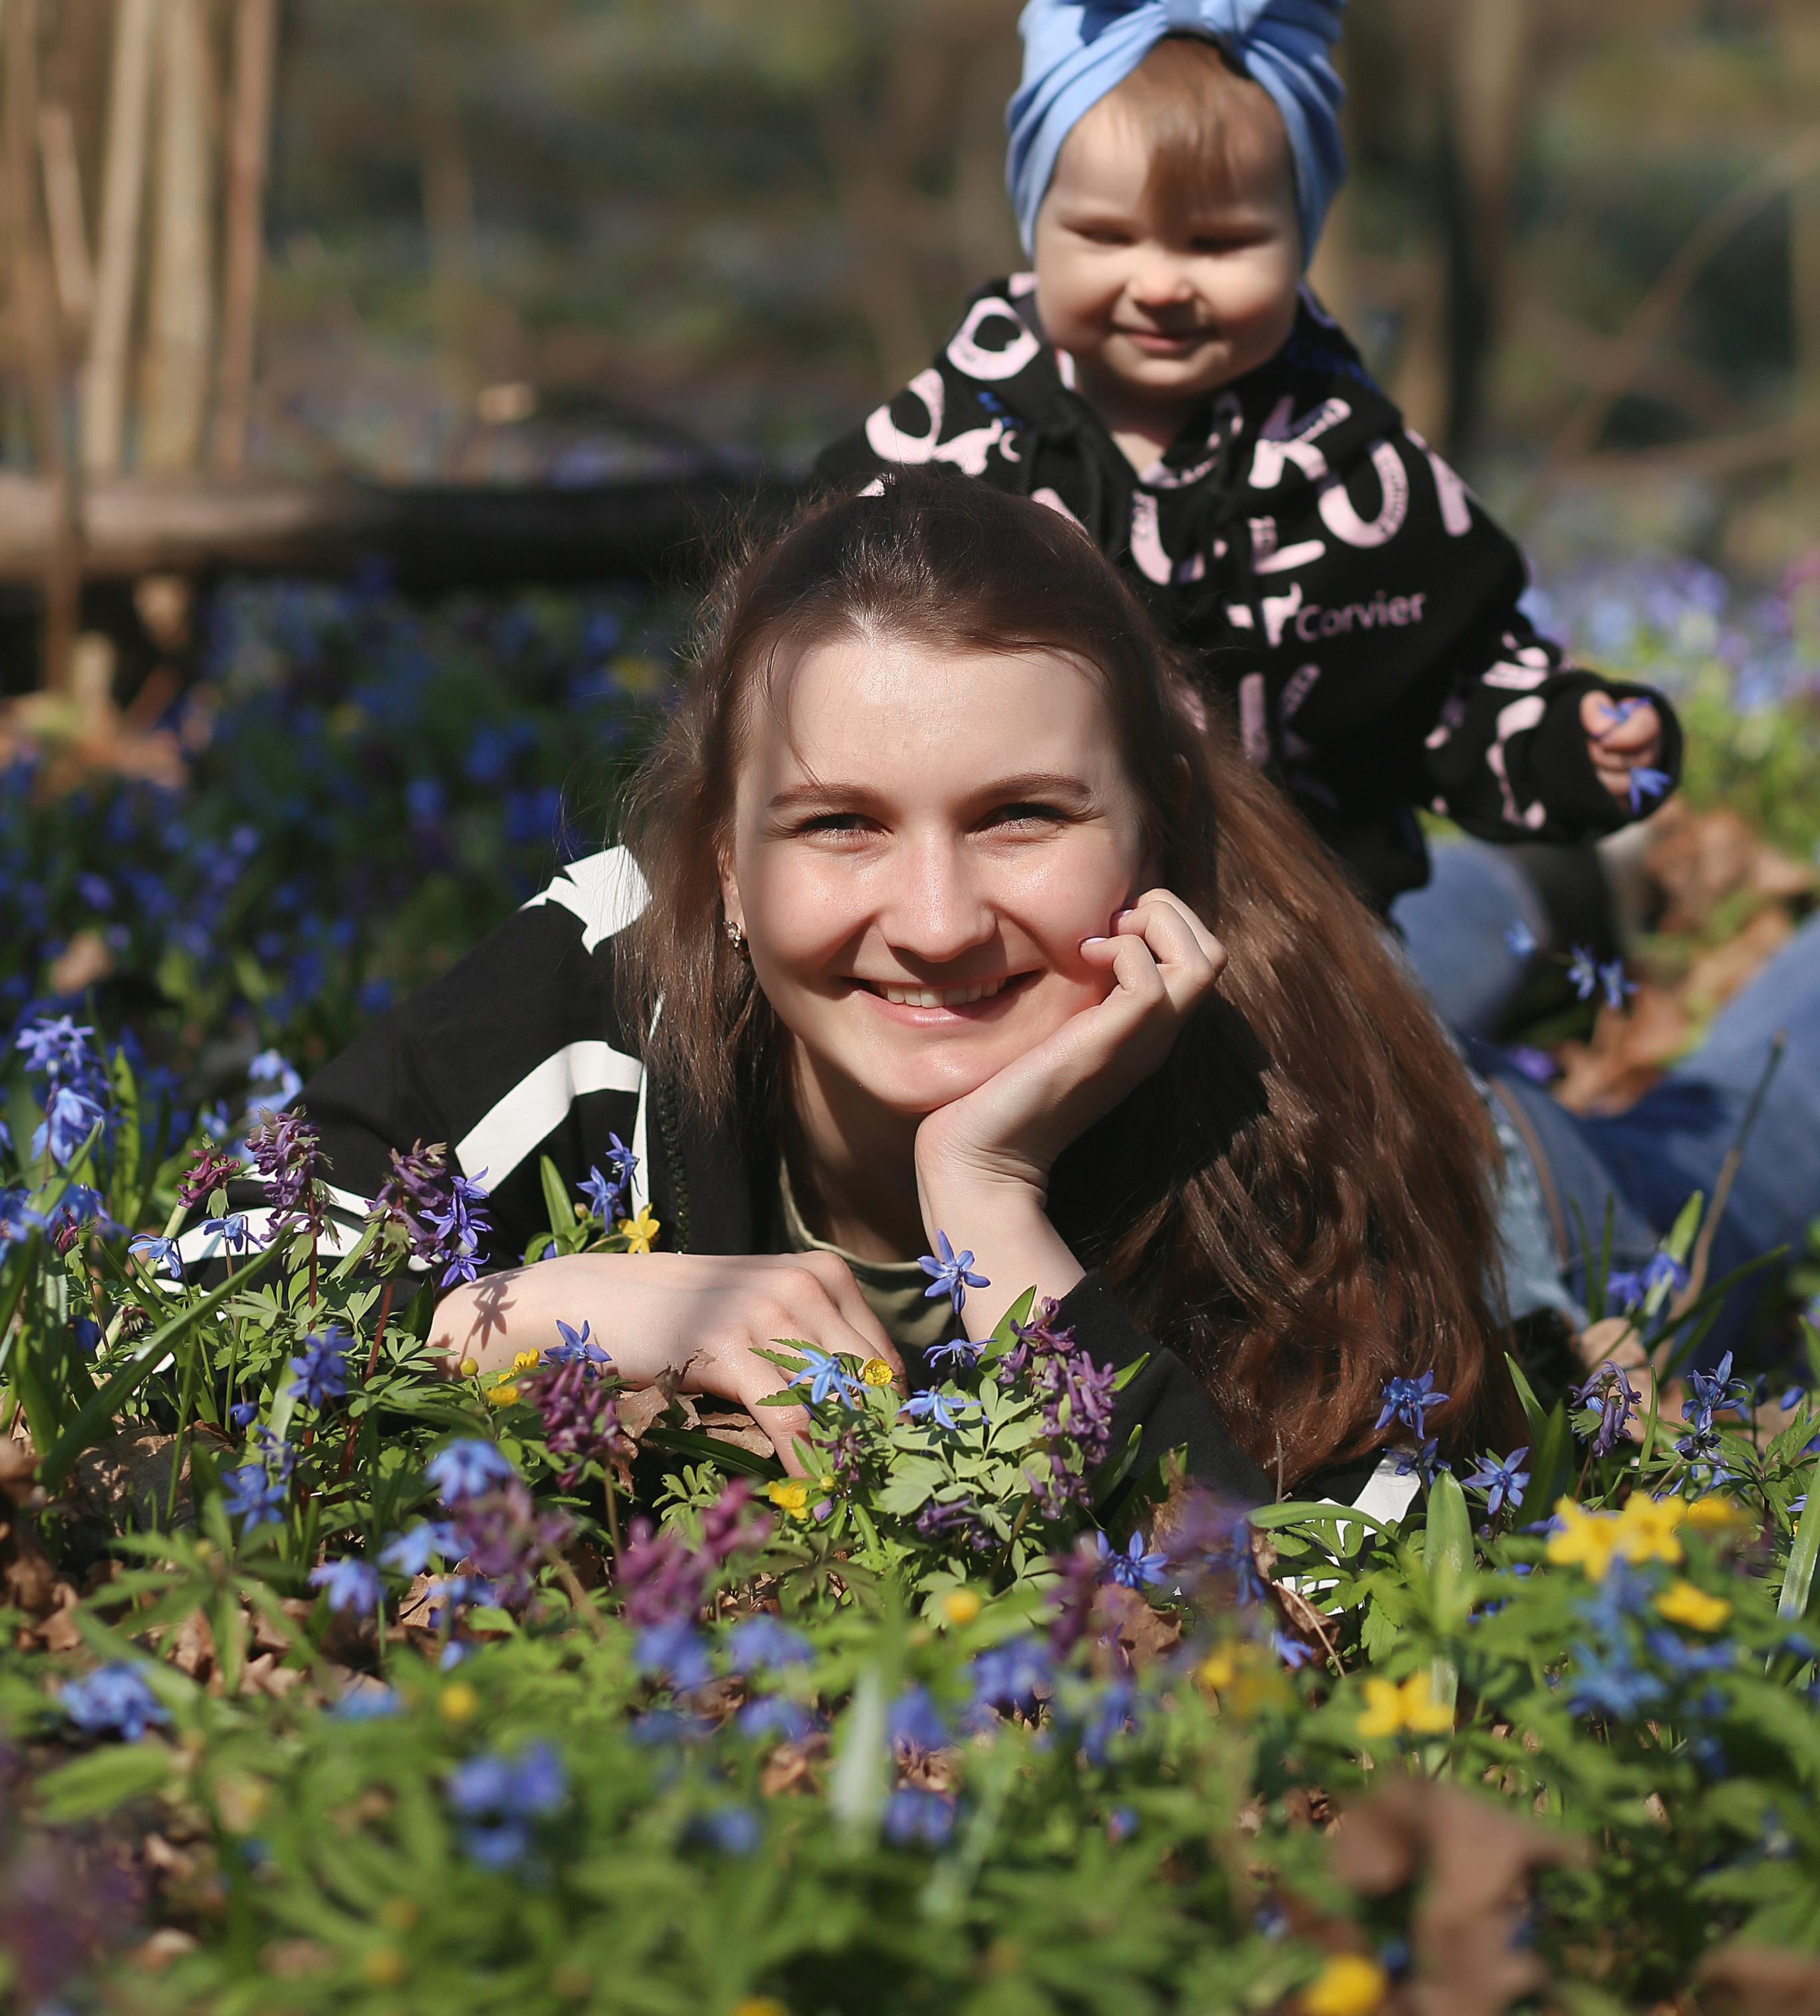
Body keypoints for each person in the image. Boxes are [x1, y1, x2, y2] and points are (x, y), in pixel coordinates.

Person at [239, 474, 1513, 1506]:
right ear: (725, 867)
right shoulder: (614, 970)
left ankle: (1553, 893)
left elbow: (1329, 1620)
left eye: (1022, 816)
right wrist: (527, 1314)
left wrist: (992, 1208)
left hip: (1521, 1164)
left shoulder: (1305, 1103)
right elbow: (194, 1310)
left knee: (1638, 1083)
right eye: (841, 825)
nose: (938, 924)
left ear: (1158, 828)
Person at [814, 0, 1680, 923]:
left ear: (1301, 238)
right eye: (1107, 236)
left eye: (1219, 243)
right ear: (1036, 227)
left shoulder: (1348, 469)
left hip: (1308, 946)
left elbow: (1455, 688)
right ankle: (1553, 908)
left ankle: (1592, 922)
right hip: (1009, 937)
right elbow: (811, 627)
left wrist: (1572, 746)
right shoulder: (949, 448)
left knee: (1450, 1090)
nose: (1162, 284)